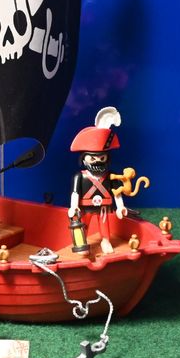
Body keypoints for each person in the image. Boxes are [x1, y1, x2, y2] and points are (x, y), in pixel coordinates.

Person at [69, 108, 128, 255]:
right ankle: (82, 243)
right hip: (85, 207)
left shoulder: (111, 175)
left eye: (102, 158)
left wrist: (120, 206)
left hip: (103, 207)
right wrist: (73, 206)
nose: (98, 161)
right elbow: (75, 193)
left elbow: (117, 192)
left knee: (104, 224)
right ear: (84, 158)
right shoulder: (80, 176)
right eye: (92, 158)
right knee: (83, 225)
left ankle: (105, 240)